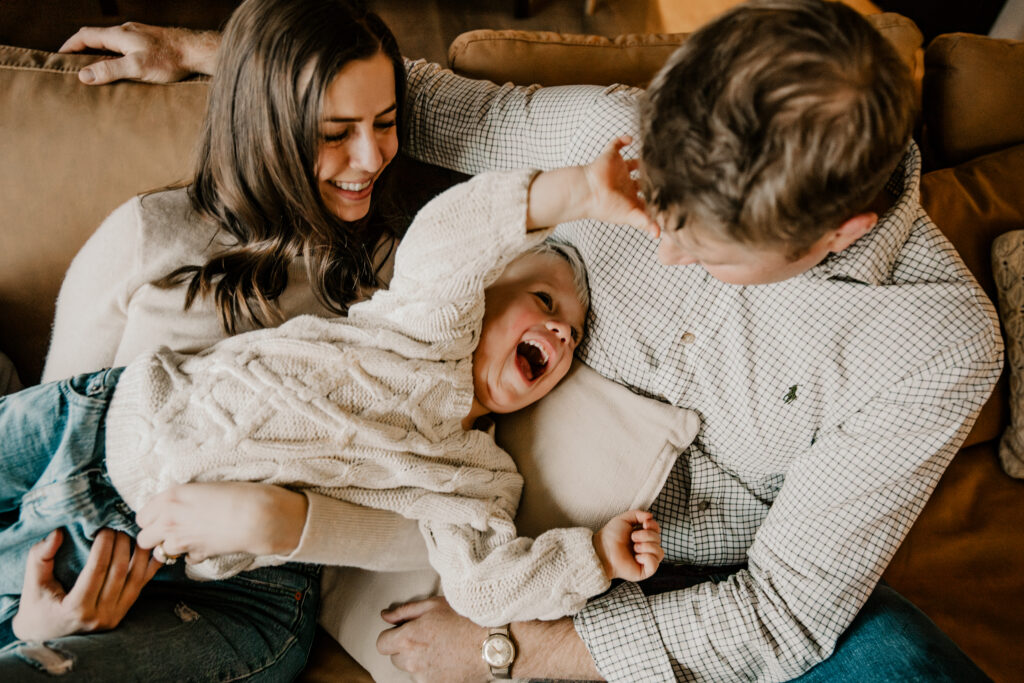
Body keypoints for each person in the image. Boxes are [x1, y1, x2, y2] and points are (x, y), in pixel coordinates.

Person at [50, 0, 1006, 680]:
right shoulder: (617, 143)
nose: (657, 236)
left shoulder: (931, 343)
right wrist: (214, 52)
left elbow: (783, 612)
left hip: (647, 585)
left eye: (705, 246)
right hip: (452, 491)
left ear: (837, 233)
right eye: (655, 197)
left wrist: (509, 651)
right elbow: (422, 106)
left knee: (898, 660)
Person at [1, 136, 667, 629]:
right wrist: (578, 189)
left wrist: (595, 557)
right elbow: (452, 237)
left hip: (130, 542)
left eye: (573, 339)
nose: (561, 336)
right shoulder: (425, 324)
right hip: (100, 414)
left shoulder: (481, 479)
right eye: (546, 304)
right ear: (485, 290)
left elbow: (483, 587)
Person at [1, 0, 414, 679]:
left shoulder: (397, 272)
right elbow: (53, 428)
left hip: (243, 593)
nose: (369, 157)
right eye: (335, 132)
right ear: (265, 125)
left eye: (387, 122)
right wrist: (34, 616)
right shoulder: (150, 234)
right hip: (82, 523)